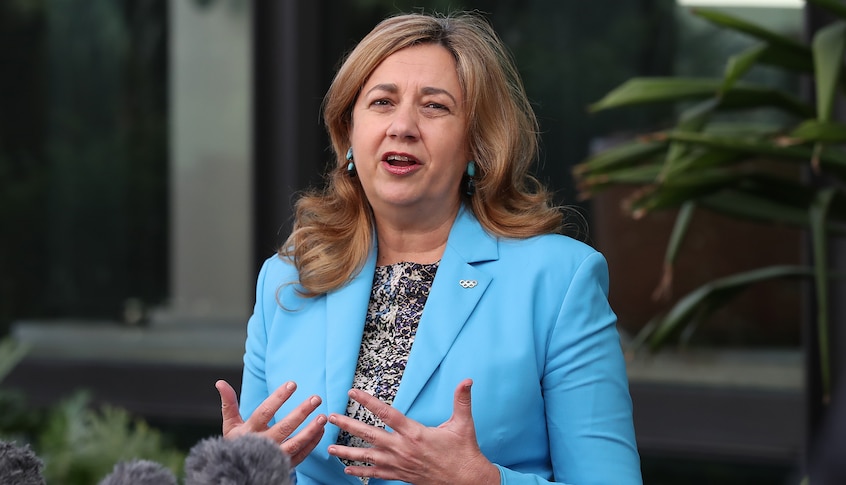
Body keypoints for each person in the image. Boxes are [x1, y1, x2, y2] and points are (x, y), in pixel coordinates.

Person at [215, 11, 642, 485]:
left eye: (434, 107)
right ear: (349, 135)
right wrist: (242, 474)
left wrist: (482, 481)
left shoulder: (559, 280)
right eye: (381, 102)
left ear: (477, 145)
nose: (402, 126)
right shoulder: (289, 277)